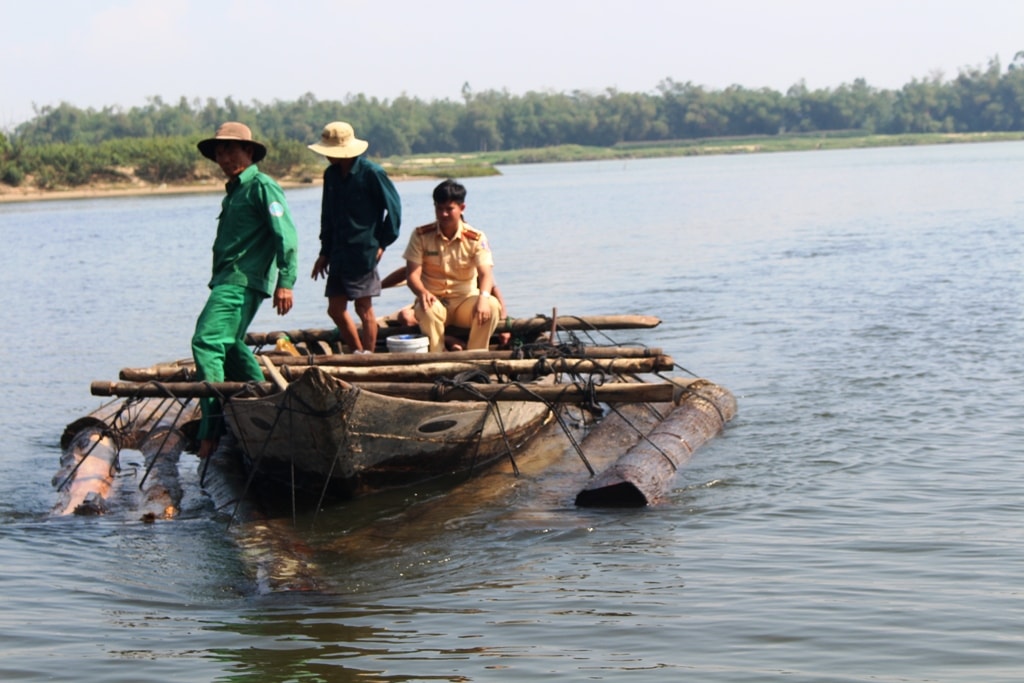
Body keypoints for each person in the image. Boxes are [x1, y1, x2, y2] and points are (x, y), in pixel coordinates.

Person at [192, 122, 298, 458]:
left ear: (249, 152)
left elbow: (286, 236)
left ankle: (211, 430)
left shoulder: (262, 187)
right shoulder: (236, 190)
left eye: (230, 150)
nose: (224, 157)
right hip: (228, 280)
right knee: (230, 346)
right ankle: (270, 402)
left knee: (206, 342)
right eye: (219, 152)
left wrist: (286, 281)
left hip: (239, 283)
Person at [308, 121, 401, 354]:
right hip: (339, 252)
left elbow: (394, 210)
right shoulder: (330, 175)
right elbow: (327, 216)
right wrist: (324, 252)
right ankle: (359, 352)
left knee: (363, 306)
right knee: (335, 309)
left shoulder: (372, 173)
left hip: (363, 251)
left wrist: (382, 244)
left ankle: (368, 357)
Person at [402, 179, 502, 353]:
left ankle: (476, 357)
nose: (444, 214)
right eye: (439, 209)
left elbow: (486, 274)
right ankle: (438, 359)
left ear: (462, 208)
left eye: (449, 209)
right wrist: (423, 293)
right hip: (435, 300)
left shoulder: (475, 238)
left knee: (492, 306)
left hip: (464, 302)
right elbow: (412, 275)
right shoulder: (421, 236)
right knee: (426, 308)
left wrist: (484, 298)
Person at [381, 265, 511, 349]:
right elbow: (405, 272)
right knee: (405, 316)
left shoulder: (475, 259)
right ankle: (448, 340)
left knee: (490, 307)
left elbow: (495, 293)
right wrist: (379, 286)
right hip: (436, 306)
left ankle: (467, 348)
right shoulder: (432, 257)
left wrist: (504, 324)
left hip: (466, 308)